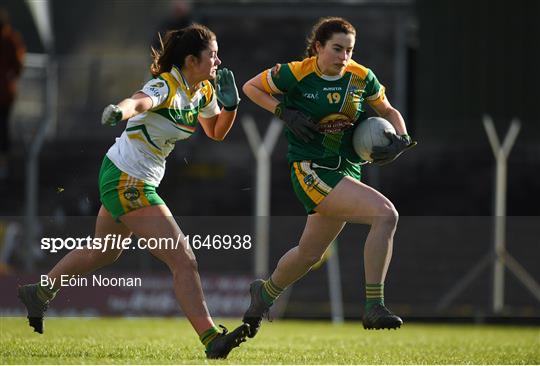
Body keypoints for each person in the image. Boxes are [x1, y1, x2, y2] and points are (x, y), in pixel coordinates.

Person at [17, 24, 248, 359]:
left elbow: (215, 131)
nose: (218, 60)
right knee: (184, 259)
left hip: (130, 175)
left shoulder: (203, 91)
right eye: (212, 54)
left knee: (104, 253)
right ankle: (212, 338)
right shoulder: (167, 85)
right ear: (190, 60)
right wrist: (119, 111)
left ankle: (38, 293)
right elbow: (139, 102)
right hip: (128, 179)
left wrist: (231, 107)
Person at [241, 17, 416, 337]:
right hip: (311, 169)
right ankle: (374, 306)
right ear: (319, 47)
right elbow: (250, 87)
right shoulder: (297, 72)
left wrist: (401, 140)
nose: (343, 56)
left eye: (349, 50)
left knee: (310, 254)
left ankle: (263, 294)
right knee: (386, 214)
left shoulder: (362, 77)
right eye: (337, 49)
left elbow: (389, 112)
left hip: (346, 170)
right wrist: (283, 111)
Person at [0, 8, 26, 180]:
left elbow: (17, 65)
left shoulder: (10, 38)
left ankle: (3, 167)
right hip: (4, 95)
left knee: (2, 131)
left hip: (3, 97)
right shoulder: (10, 38)